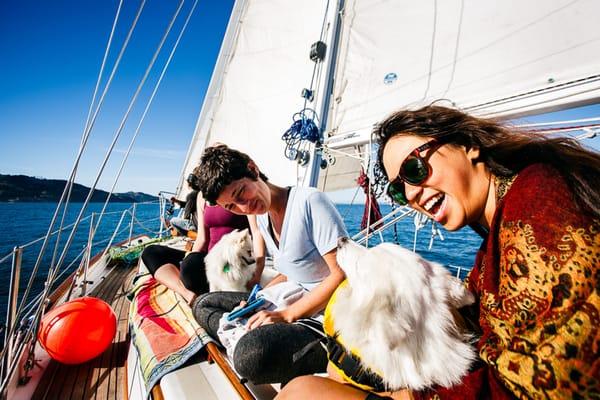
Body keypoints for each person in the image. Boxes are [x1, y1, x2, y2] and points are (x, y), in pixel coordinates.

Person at [276, 105, 600, 399]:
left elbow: (551, 378)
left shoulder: (539, 199)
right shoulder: (496, 237)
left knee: (301, 390)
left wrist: (409, 397)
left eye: (414, 170)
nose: (412, 194)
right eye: (398, 190)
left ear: (468, 145)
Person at [192, 144, 348, 385]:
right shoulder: (262, 217)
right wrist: (257, 297)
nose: (244, 207)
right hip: (291, 298)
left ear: (253, 169)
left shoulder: (310, 202)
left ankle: (252, 343)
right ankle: (250, 336)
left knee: (251, 357)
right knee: (203, 304)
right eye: (232, 207)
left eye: (241, 193)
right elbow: (287, 274)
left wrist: (286, 315)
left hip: (326, 316)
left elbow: (342, 275)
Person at [141, 189, 265, 305]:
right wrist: (191, 256)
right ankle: (185, 292)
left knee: (190, 267)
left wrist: (258, 272)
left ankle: (195, 284)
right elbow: (202, 238)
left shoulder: (237, 190)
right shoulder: (201, 196)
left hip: (233, 260)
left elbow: (256, 232)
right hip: (209, 260)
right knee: (150, 252)